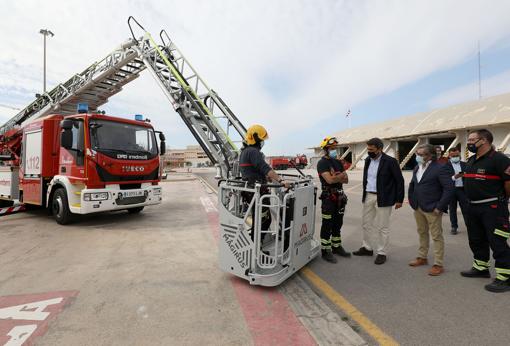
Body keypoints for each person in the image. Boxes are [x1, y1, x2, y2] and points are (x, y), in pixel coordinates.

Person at [460, 129, 510, 293]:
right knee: (476, 239)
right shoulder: (472, 160)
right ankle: (481, 268)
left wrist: (502, 199)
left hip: (493, 208)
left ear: (484, 140)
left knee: (497, 242)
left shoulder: (499, 160)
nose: (469, 143)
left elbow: (508, 184)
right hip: (472, 206)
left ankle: (505, 277)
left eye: (472, 139)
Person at [353, 137, 404, 265]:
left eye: (371, 149)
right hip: (369, 195)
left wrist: (399, 199)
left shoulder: (390, 161)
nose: (369, 151)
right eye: (368, 149)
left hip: (384, 198)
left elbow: (399, 181)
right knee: (366, 224)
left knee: (383, 227)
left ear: (380, 149)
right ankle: (367, 248)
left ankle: (382, 252)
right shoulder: (368, 160)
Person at [408, 144, 454, 276]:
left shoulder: (441, 168)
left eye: (421, 154)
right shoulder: (417, 167)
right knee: (422, 232)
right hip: (418, 207)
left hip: (432, 208)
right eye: (417, 154)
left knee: (436, 236)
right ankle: (422, 257)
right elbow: (413, 185)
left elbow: (449, 189)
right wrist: (412, 201)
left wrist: (439, 207)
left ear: (431, 156)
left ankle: (438, 264)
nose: (418, 157)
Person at [239, 124, 289, 241]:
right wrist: (281, 180)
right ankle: (256, 248)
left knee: (259, 220)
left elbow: (253, 170)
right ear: (256, 139)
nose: (262, 142)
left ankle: (256, 246)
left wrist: (265, 178)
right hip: (256, 192)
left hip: (252, 191)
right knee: (265, 221)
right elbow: (265, 168)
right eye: (261, 140)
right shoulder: (253, 151)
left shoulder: (245, 151)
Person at [316, 136, 350, 263]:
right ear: (325, 149)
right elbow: (329, 180)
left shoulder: (338, 162)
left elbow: (346, 180)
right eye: (332, 148)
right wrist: (338, 176)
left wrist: (337, 176)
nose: (335, 150)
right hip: (328, 198)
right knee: (327, 224)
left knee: (338, 223)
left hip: (340, 198)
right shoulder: (322, 163)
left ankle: (336, 246)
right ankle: (325, 250)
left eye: (335, 147)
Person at [446, 147, 468, 235]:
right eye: (453, 155)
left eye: (457, 155)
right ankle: (454, 226)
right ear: (449, 155)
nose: (455, 157)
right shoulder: (446, 166)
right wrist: (454, 177)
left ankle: (469, 226)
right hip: (452, 190)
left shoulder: (465, 164)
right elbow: (444, 179)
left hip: (462, 190)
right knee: (452, 209)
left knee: (466, 209)